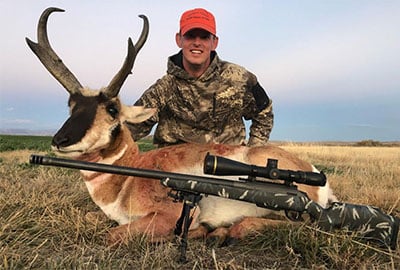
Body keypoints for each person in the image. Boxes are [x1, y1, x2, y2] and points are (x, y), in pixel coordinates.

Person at [128, 8, 273, 147]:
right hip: (173, 167)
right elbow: (130, 127)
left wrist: (253, 152)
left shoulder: (239, 79)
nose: (197, 42)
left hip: (227, 166)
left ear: (214, 42)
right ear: (179, 39)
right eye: (190, 35)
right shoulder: (164, 89)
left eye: (204, 37)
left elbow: (264, 111)